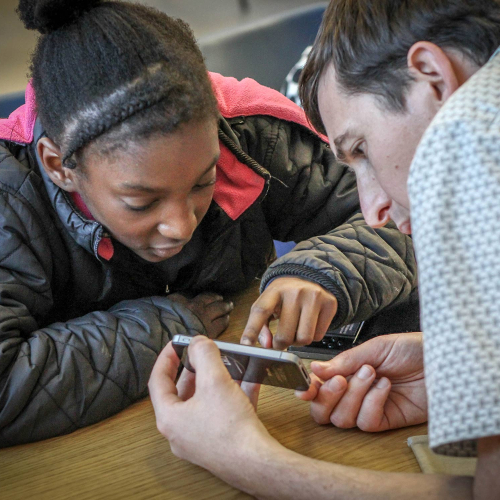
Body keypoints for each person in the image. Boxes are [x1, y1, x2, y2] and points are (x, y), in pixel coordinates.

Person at [0, 0, 416, 447]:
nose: (181, 226)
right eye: (141, 202)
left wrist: (327, 271)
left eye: (205, 182)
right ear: (59, 165)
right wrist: (170, 329)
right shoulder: (12, 203)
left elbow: (407, 217)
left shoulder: (250, 135)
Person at [148, 0, 500, 498]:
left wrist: (244, 458)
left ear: (432, 77)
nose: (373, 208)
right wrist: (450, 372)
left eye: (361, 150)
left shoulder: (474, 136)